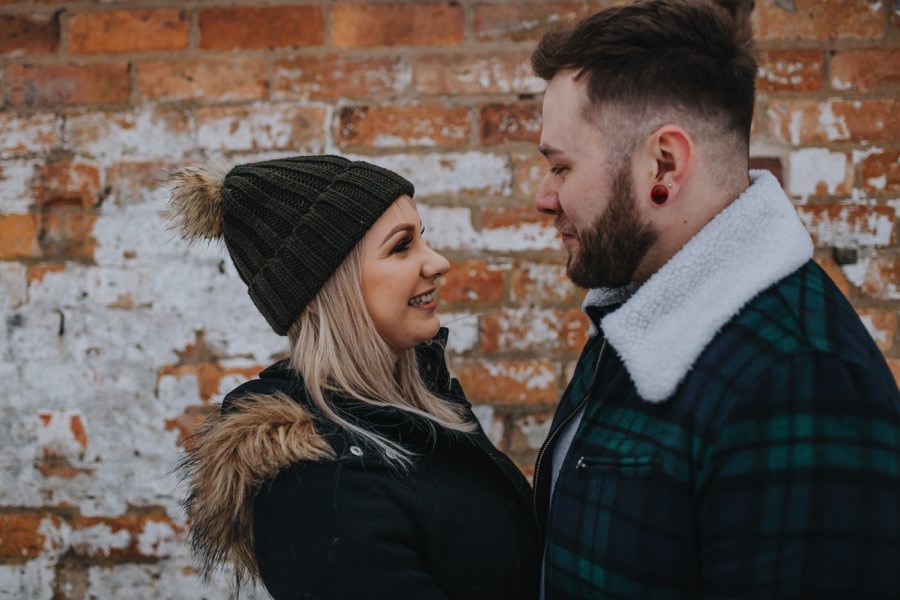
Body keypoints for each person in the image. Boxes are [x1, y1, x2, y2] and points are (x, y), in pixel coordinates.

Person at [529, 0, 900, 597]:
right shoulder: (641, 311)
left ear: (664, 164)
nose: (544, 197)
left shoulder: (801, 380)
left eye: (561, 167)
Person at [168, 155, 539, 599]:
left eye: (423, 239)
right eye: (401, 246)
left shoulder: (419, 406)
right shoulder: (313, 487)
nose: (437, 262)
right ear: (326, 286)